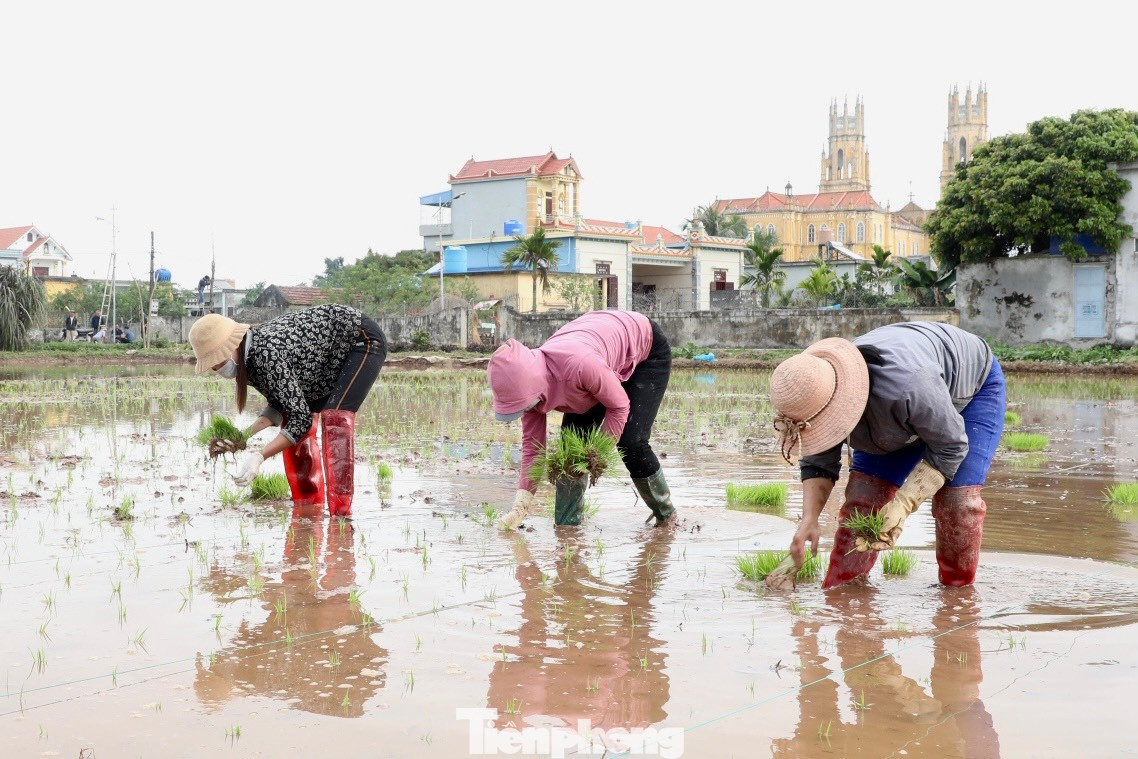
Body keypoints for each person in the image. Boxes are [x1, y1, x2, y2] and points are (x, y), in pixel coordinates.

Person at [767, 321, 1005, 589]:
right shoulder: (816, 393)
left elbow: (951, 446)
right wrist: (809, 521)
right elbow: (818, 461)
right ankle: (844, 595)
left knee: (958, 504)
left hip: (970, 388)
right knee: (863, 504)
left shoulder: (911, 385)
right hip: (896, 409)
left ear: (844, 403)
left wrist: (903, 505)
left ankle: (956, 597)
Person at [187, 304, 387, 517]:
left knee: (335, 419)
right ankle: (309, 509)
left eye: (218, 361)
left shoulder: (265, 353)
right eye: (213, 367)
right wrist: (242, 437)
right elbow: (279, 405)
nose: (219, 370)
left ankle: (341, 517)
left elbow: (301, 421)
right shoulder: (249, 360)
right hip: (323, 364)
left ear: (232, 346)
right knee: (292, 416)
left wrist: (260, 456)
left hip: (359, 341)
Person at [488, 310, 674, 529]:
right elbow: (533, 449)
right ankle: (567, 528)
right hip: (597, 359)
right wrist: (520, 506)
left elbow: (619, 405)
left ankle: (667, 517)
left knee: (631, 442)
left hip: (644, 347)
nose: (528, 410)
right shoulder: (528, 392)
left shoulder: (579, 366)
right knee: (572, 452)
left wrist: (597, 456)